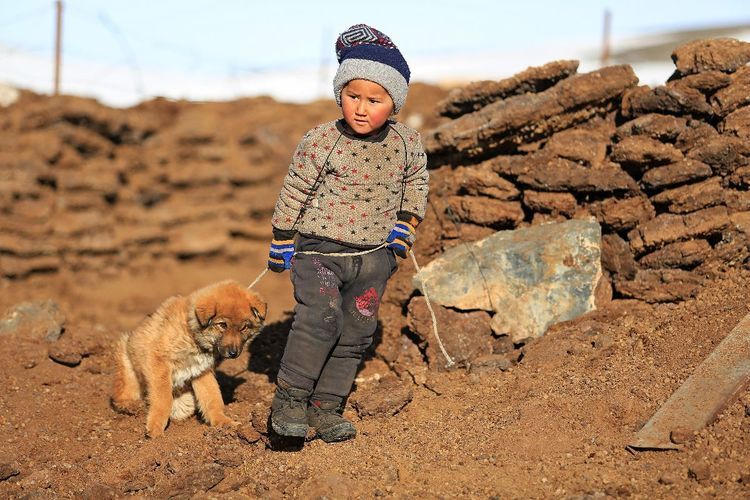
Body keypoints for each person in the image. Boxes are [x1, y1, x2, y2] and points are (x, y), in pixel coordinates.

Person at [266, 23, 428, 443]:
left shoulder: (407, 143)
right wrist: (282, 239)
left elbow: (416, 185)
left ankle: (326, 408)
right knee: (319, 319)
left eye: (375, 99)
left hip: (375, 256)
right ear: (339, 94)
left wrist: (402, 233)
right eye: (352, 95)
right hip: (320, 252)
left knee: (357, 331)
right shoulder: (321, 140)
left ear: (394, 103)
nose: (361, 107)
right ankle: (290, 401)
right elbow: (295, 188)